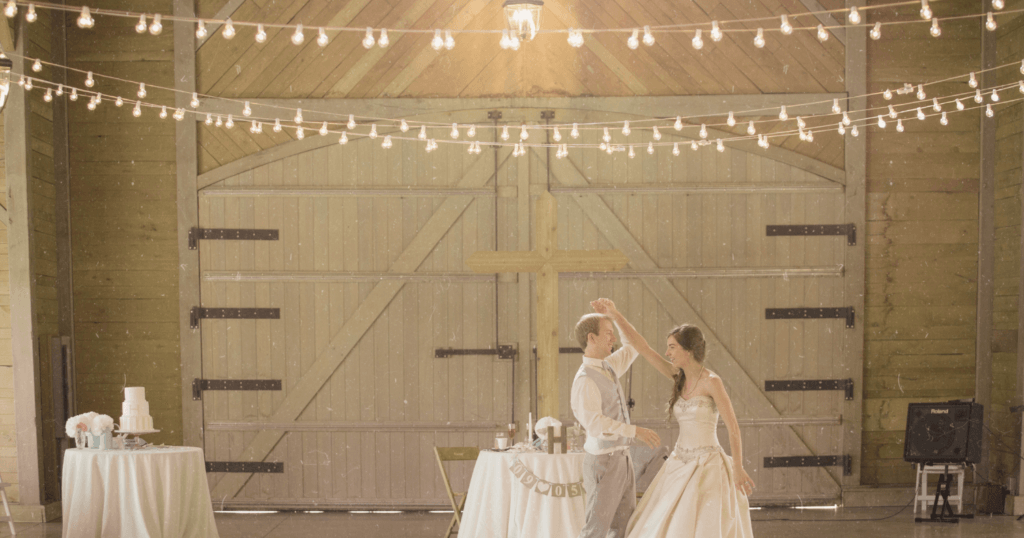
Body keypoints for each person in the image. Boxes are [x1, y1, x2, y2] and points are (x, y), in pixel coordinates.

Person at [625, 324, 755, 538]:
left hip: (707, 466)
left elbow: (733, 428)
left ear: (688, 350)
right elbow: (644, 348)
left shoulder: (713, 382)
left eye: (672, 347)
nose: (667, 353)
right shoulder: (678, 376)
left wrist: (738, 468)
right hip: (678, 463)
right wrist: (614, 313)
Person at [570, 298, 667, 538]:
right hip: (603, 461)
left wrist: (615, 315)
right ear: (591, 338)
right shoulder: (585, 379)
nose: (613, 338)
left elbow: (633, 345)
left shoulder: (609, 366)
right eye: (608, 333)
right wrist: (635, 431)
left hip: (622, 459)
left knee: (624, 528)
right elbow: (595, 424)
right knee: (596, 529)